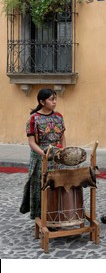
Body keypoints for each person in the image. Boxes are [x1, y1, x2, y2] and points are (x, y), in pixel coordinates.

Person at [20, 88, 66, 220]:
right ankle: (42, 217)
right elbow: (31, 142)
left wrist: (63, 150)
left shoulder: (59, 116)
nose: (55, 102)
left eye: (55, 99)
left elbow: (62, 136)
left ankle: (57, 214)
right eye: (51, 99)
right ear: (42, 101)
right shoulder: (33, 119)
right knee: (41, 186)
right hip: (41, 157)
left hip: (56, 156)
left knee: (57, 184)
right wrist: (44, 154)